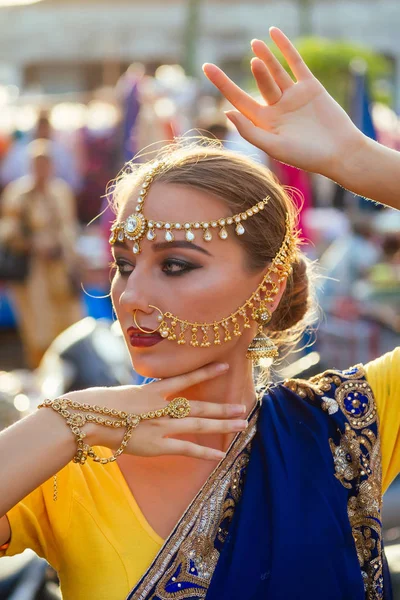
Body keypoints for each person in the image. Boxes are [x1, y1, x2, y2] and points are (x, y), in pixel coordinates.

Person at [0, 28, 398, 600]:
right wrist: (72, 419)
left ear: (268, 287)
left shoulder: (345, 428)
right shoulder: (71, 463)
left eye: (177, 266)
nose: (130, 295)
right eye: (123, 262)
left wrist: (356, 159)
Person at [0, 139, 82, 368]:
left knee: (67, 324)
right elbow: (7, 232)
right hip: (32, 274)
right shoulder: (18, 194)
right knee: (37, 328)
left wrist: (67, 254)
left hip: (59, 269)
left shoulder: (60, 191)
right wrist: (32, 244)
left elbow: (69, 228)